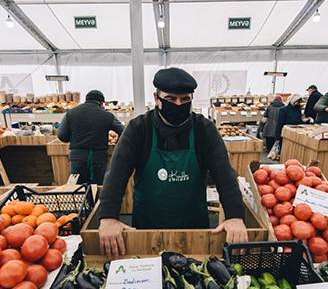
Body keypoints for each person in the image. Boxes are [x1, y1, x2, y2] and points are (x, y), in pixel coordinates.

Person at [97, 67, 248, 256]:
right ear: (156, 98)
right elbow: (116, 175)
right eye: (170, 99)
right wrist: (108, 217)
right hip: (148, 227)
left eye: (185, 100)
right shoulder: (138, 128)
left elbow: (225, 174)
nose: (178, 104)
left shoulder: (204, 129)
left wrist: (235, 216)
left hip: (194, 227)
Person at [57, 90, 124, 185]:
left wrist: (74, 138)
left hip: (77, 157)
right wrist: (117, 143)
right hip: (98, 157)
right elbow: (124, 131)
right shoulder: (107, 116)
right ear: (101, 102)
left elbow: (62, 136)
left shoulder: (71, 113)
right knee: (98, 187)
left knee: (78, 188)